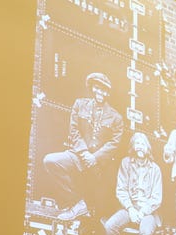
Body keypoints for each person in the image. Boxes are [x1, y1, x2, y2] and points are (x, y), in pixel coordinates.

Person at [43, 72, 123, 220]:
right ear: (92, 88)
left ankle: (90, 215)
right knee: (50, 161)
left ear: (108, 93)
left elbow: (114, 143)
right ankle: (76, 203)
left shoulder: (116, 117)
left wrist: (95, 157)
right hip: (78, 155)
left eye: (104, 90)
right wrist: (84, 152)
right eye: (97, 88)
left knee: (100, 209)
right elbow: (74, 131)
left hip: (99, 165)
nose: (100, 92)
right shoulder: (79, 104)